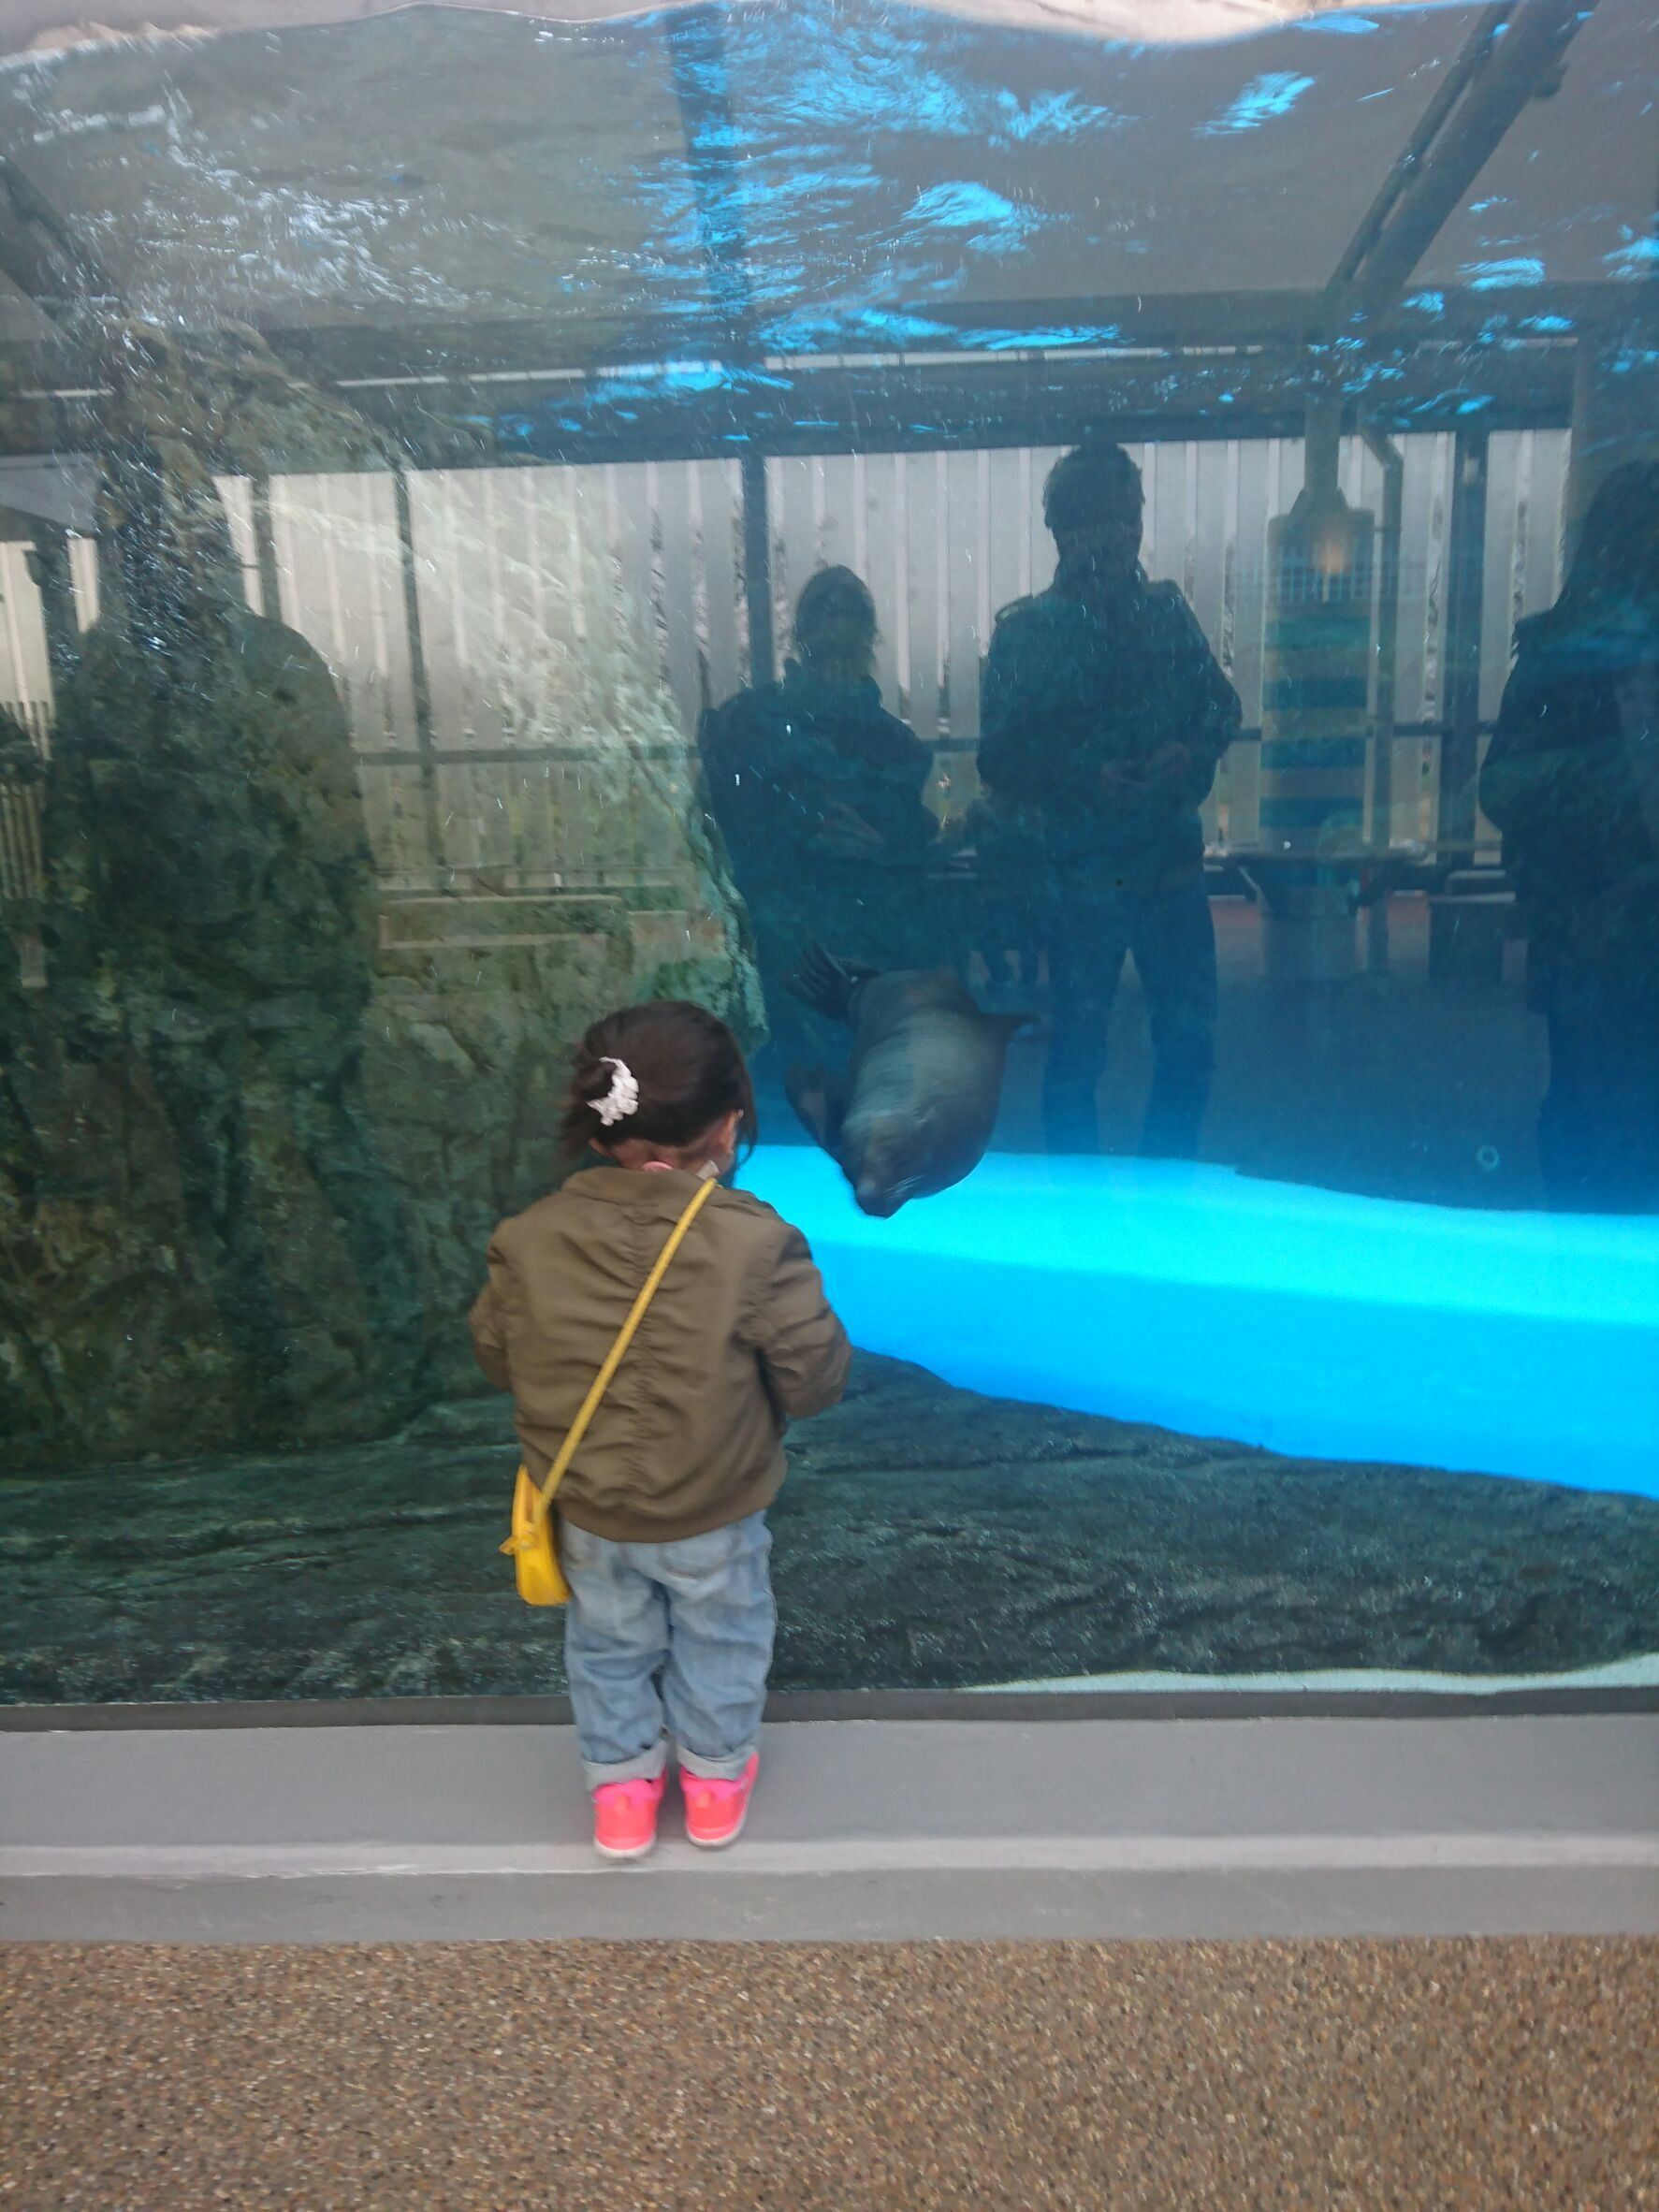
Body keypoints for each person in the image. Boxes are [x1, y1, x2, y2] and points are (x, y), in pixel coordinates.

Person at [469, 999, 851, 1860]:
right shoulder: (757, 1244)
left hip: (589, 1511)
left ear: (597, 1124)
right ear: (729, 1124)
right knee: (723, 1636)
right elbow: (816, 1381)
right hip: (714, 1506)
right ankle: (713, 1787)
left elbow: (497, 1357)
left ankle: (621, 1796)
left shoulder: (528, 1238)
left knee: (606, 1645)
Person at [976, 440, 1241, 1156]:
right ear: (1062, 530)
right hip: (1083, 879)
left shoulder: (1164, 612)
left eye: (1130, 517)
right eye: (1102, 518)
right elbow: (998, 756)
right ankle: (1078, 1208)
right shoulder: (1026, 632)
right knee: (1077, 1055)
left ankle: (1167, 1193)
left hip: (1167, 870)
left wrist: (1187, 752)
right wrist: (1085, 777)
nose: (1121, 534)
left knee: (1187, 1045)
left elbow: (1219, 707)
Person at [1481, 460, 1659, 1212]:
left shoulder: (1556, 653)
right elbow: (1502, 786)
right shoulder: (1561, 658)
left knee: (1590, 1104)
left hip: (1592, 928)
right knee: (1590, 1102)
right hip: (1591, 930)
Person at [699, 567, 947, 1075]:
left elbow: (918, 847)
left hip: (857, 940)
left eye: (847, 647)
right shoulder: (748, 725)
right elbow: (723, 832)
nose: (836, 665)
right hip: (783, 938)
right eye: (825, 647)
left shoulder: (894, 745)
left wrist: (883, 846)